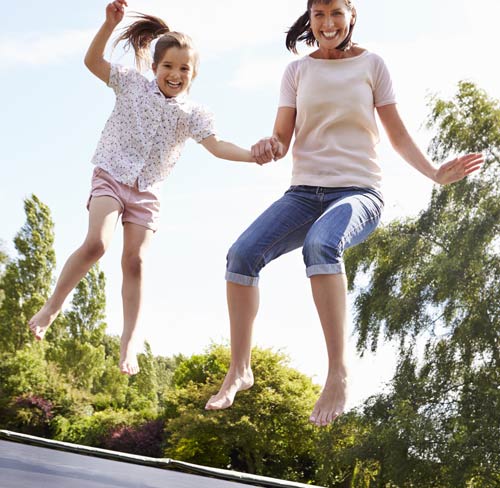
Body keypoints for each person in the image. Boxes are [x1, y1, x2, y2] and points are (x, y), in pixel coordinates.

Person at [205, 0, 484, 426]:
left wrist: (433, 173)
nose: (328, 23)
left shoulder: (373, 65)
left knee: (322, 243)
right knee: (241, 254)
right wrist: (267, 146)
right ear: (310, 20)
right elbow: (282, 140)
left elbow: (397, 134)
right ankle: (240, 369)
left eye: (336, 12)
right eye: (319, 15)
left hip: (358, 194)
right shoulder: (297, 72)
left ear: (352, 14)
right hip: (302, 194)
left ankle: (338, 371)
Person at [29, 0, 260, 375]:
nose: (175, 74)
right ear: (154, 68)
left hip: (148, 191)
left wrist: (254, 155)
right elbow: (92, 62)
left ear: (194, 74)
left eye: (184, 68)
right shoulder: (132, 85)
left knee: (135, 261)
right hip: (111, 174)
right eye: (167, 66)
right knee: (97, 244)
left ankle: (129, 344)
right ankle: (52, 306)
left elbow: (218, 147)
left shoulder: (193, 115)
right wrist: (108, 25)